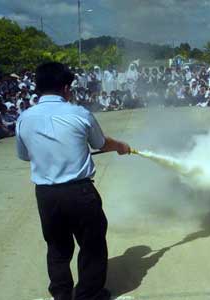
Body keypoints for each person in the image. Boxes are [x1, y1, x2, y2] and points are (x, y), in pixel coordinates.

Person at [16, 62, 131, 300]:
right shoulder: (79, 113)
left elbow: (24, 155)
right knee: (92, 244)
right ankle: (88, 295)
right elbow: (101, 144)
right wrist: (120, 146)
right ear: (66, 88)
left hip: (46, 195)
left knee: (57, 247)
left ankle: (61, 294)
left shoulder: (24, 118)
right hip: (79, 192)